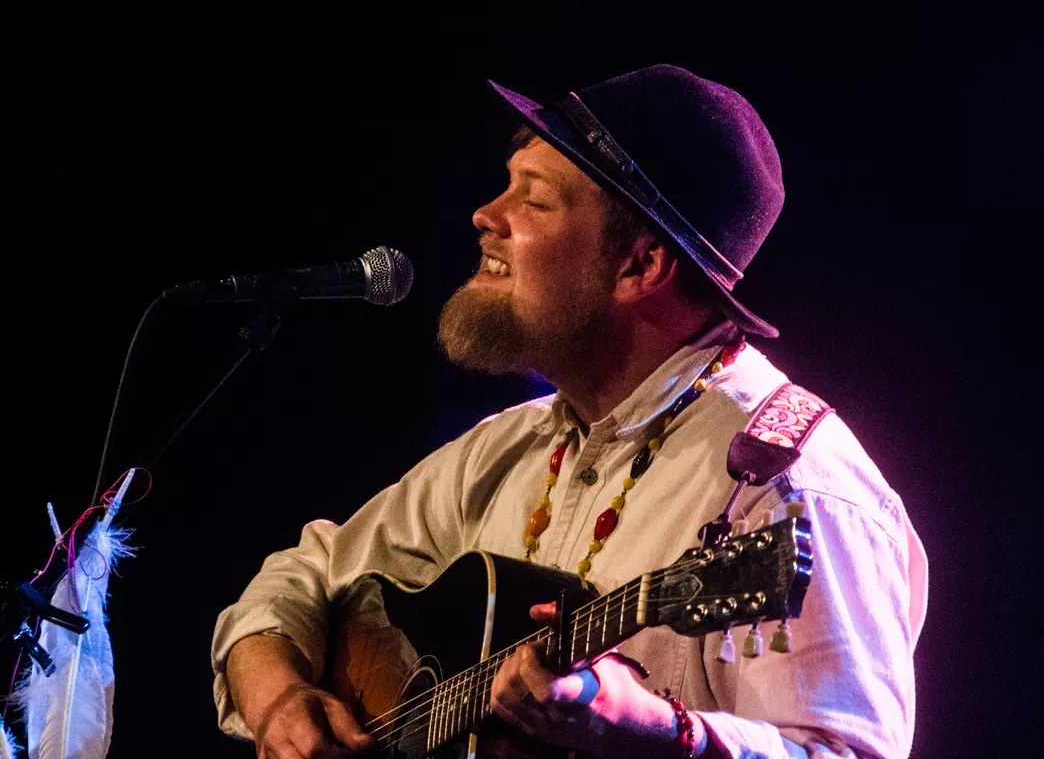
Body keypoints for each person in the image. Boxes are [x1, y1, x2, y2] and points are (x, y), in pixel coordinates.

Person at [210, 65, 927, 758]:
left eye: (536, 199)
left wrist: (660, 732)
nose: (486, 215)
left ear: (640, 266)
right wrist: (277, 699)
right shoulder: (510, 447)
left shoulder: (789, 489)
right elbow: (306, 573)